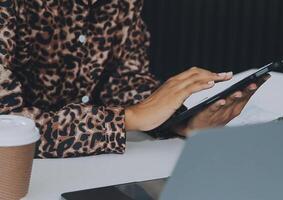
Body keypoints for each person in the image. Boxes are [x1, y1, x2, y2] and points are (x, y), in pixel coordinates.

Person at [0, 0, 268, 158]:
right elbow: (5, 124)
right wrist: (130, 118)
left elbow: (126, 80)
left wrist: (176, 119)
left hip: (92, 172)